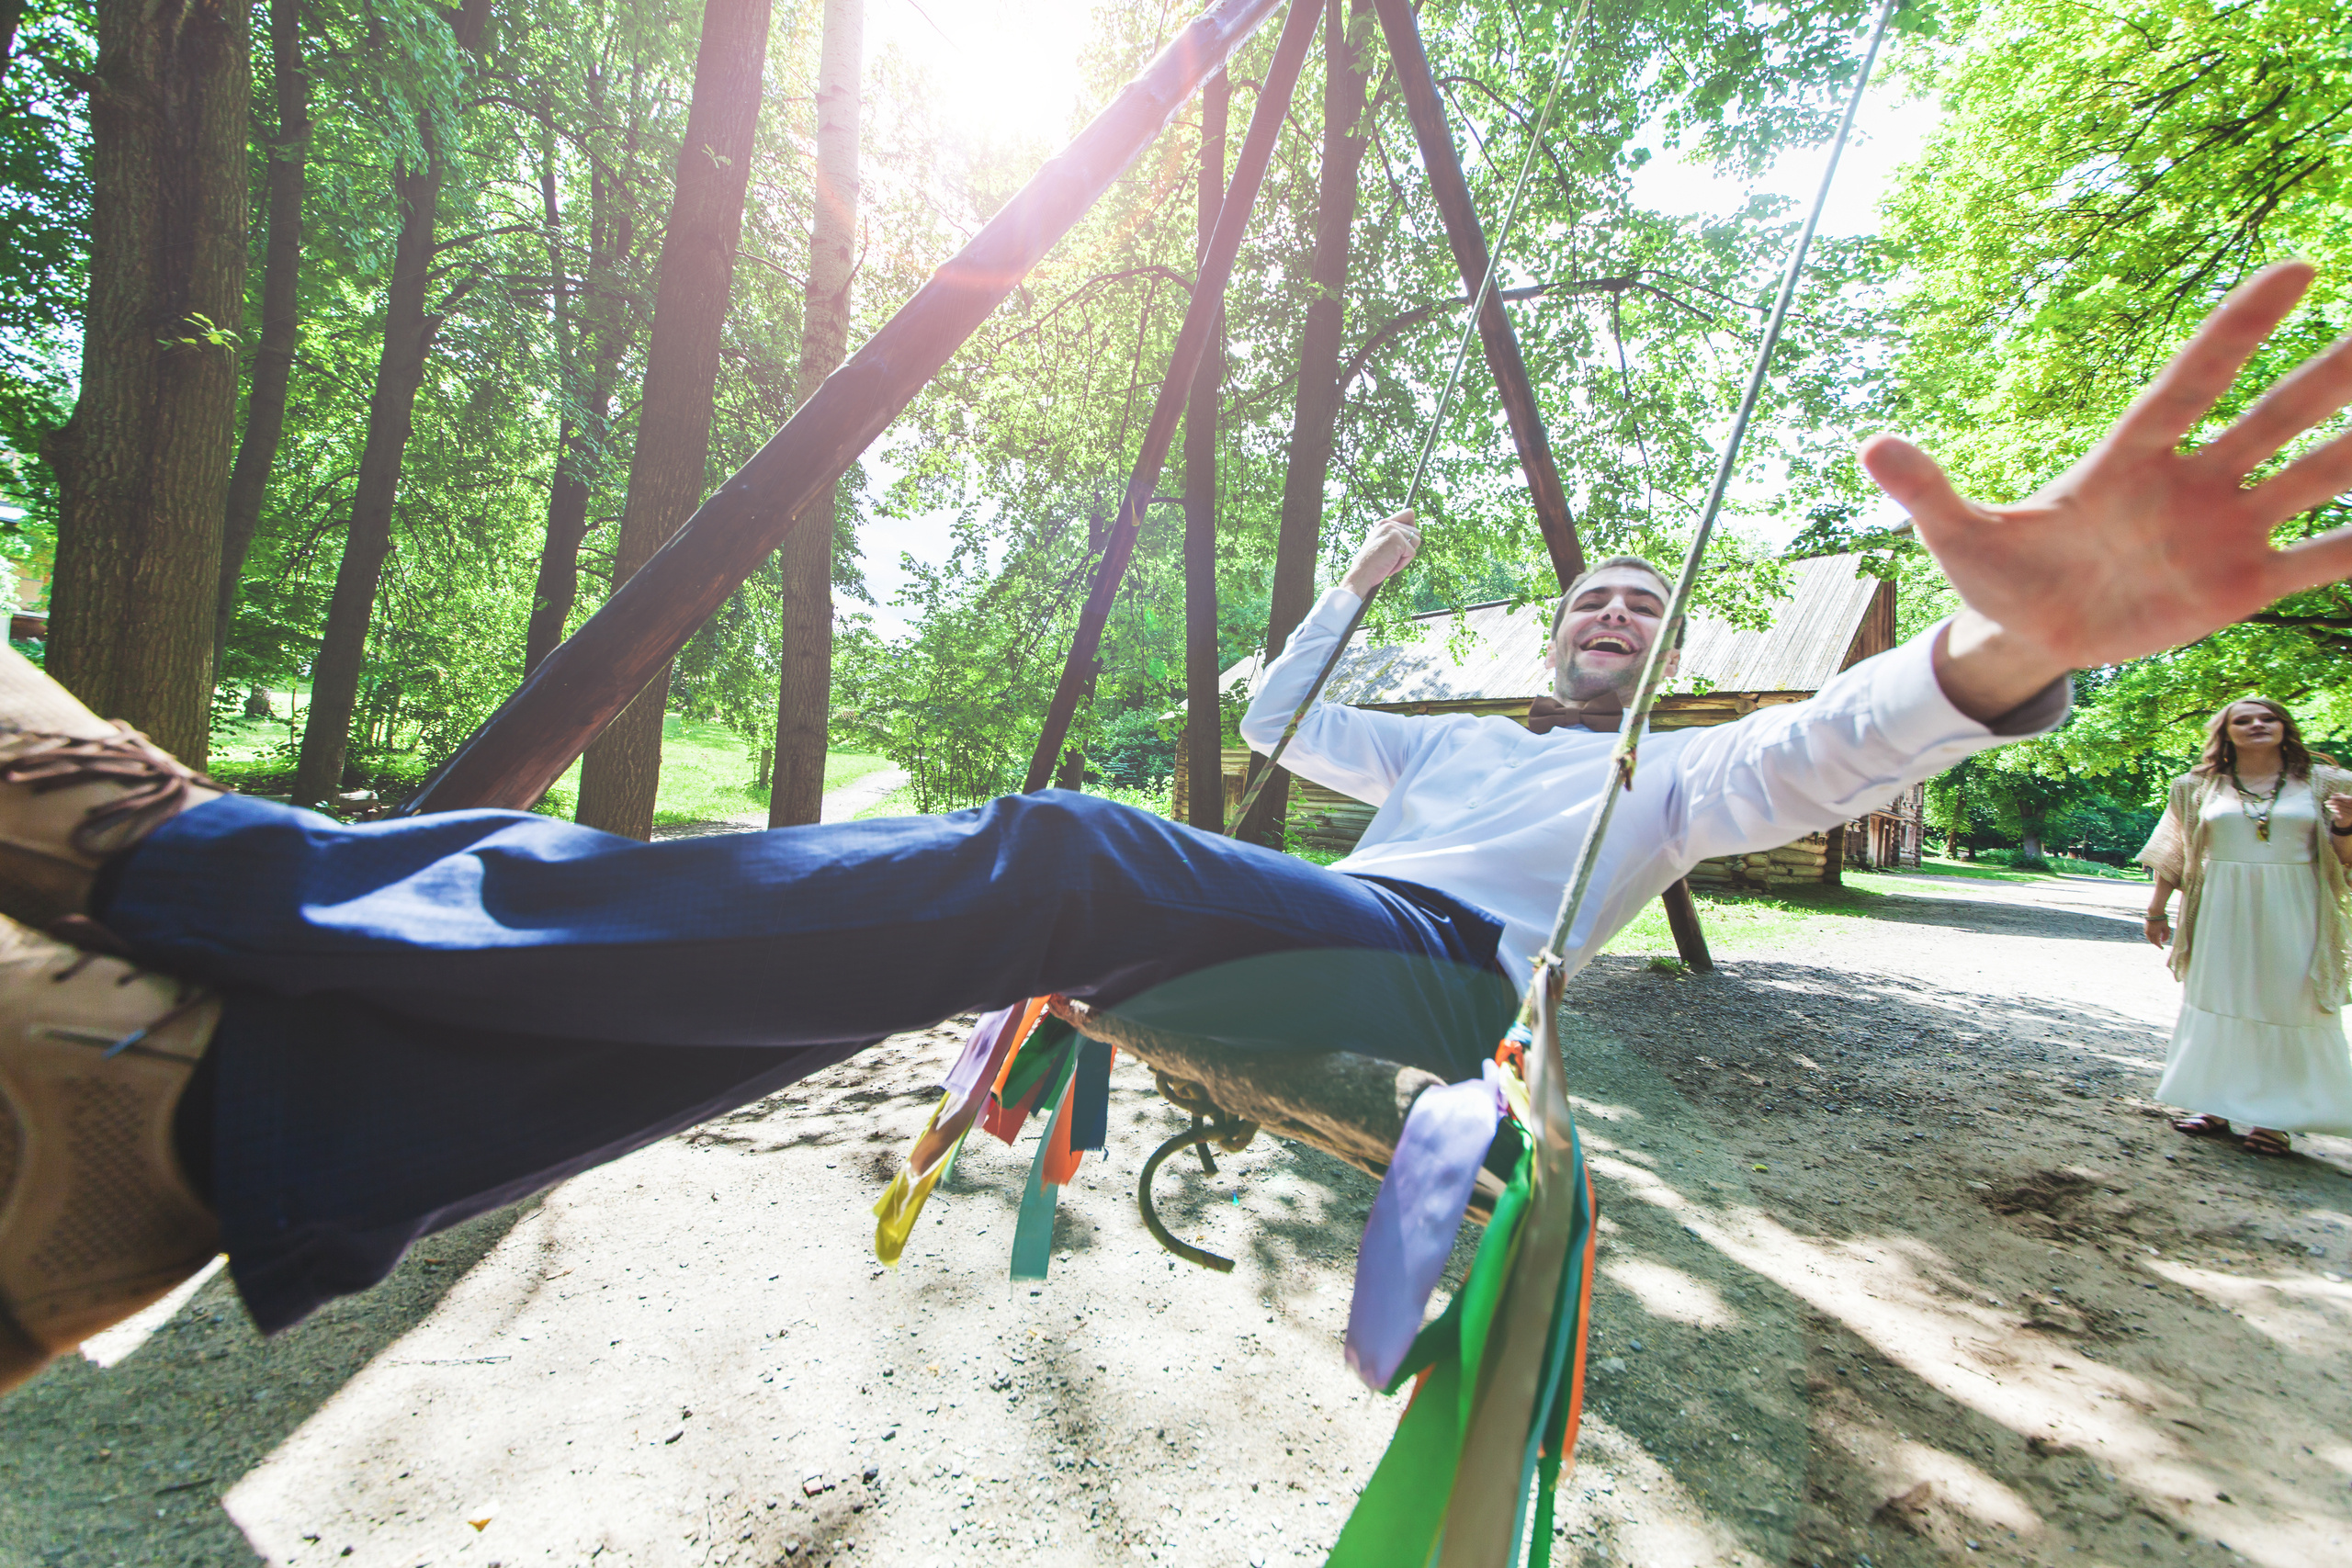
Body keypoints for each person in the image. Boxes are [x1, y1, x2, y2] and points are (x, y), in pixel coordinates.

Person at [3, 261, 2351, 1397]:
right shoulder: (1432, 738)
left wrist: (2012, 654)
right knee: (979, 906)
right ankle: (242, 1124)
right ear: (1553, 621)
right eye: (1591, 592)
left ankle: (189, 864)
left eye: (1650, 600)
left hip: (1438, 992)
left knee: (1065, 854)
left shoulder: (1679, 765)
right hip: (1326, 899)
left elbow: (1833, 748)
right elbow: (1282, 718)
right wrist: (1334, 604)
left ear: (1670, 648)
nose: (1618, 612)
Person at [2140, 698, 2352, 1155]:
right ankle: (2212, 1104)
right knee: (2219, 997)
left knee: (2290, 1004)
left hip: (2297, 905)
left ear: (2284, 727)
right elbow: (2173, 853)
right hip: (2220, 903)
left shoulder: (2330, 782)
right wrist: (2157, 910)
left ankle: (2273, 1118)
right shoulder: (2194, 786)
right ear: (2226, 733)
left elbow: (2345, 862)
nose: (2257, 724)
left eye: (2268, 717)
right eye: (2243, 720)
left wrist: (2347, 825)